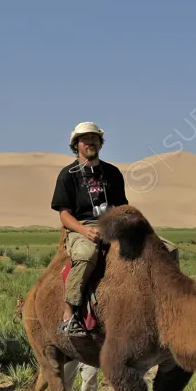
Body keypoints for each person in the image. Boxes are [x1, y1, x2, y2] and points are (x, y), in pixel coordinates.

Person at [50, 121, 128, 339]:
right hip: (82, 228)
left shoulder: (112, 173)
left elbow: (121, 206)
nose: (91, 142)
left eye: (94, 138)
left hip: (112, 227)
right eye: (85, 139)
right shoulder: (68, 175)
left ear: (100, 143)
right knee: (86, 255)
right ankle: (70, 316)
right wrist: (84, 232)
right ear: (77, 145)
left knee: (158, 249)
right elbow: (64, 215)